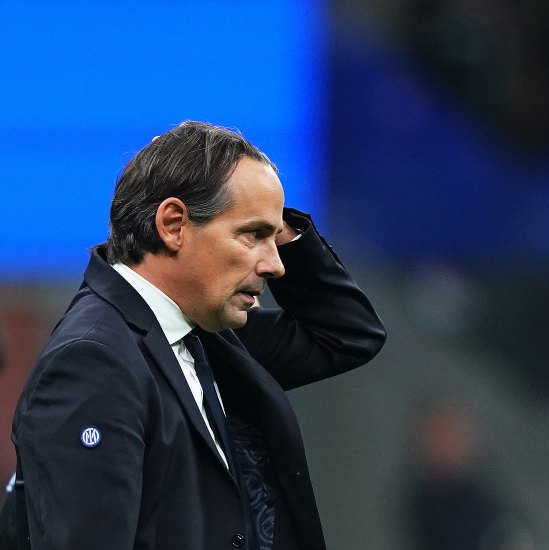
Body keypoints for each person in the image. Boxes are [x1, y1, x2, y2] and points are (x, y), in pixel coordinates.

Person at [11, 121, 386, 550]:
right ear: (173, 225)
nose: (276, 264)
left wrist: (267, 208)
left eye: (274, 237)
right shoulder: (93, 360)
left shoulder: (204, 333)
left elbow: (347, 332)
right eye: (253, 235)